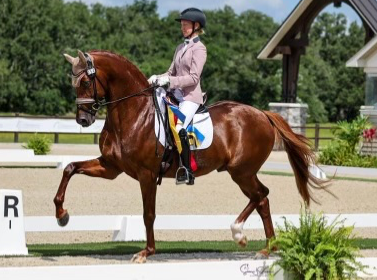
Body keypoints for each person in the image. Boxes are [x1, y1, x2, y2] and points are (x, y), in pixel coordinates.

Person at [148, 7, 207, 185]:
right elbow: (170, 71)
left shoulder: (199, 48)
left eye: (186, 24)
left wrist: (170, 81)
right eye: (182, 24)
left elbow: (194, 78)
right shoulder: (180, 47)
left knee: (179, 127)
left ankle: (187, 170)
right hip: (174, 96)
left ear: (196, 26)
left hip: (190, 98)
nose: (183, 27)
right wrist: (158, 78)